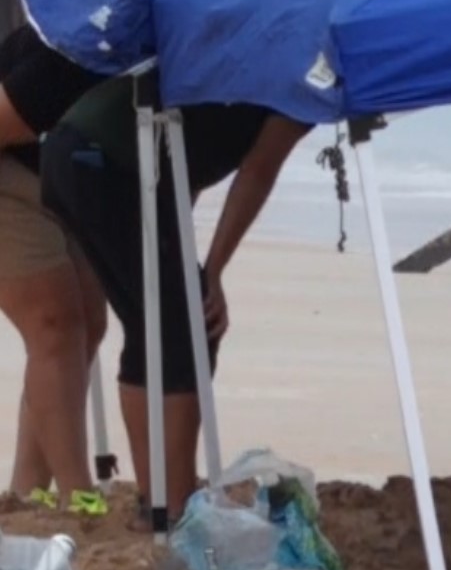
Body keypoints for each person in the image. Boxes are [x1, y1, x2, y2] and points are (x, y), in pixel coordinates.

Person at [38, 75, 312, 522]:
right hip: (103, 162)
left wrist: (189, 257)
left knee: (153, 324)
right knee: (189, 326)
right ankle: (175, 503)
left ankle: (158, 501)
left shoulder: (265, 49)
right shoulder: (307, 78)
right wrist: (214, 270)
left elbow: (184, 160)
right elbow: (258, 170)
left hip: (75, 156)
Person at [0, 28, 109, 511]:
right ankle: (79, 498)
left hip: (60, 177)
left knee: (88, 322)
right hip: (8, 159)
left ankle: (26, 495)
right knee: (54, 324)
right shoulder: (79, 43)